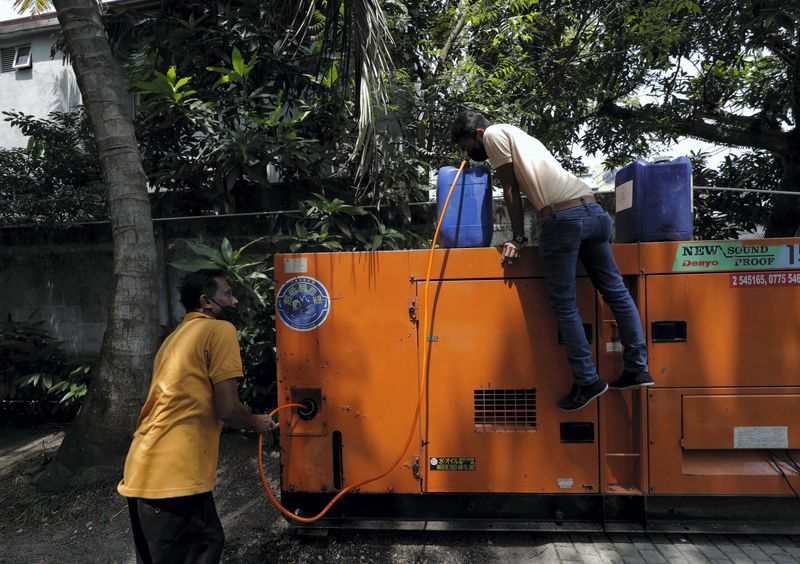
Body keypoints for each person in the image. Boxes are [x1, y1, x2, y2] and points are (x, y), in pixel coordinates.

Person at [450, 110, 653, 411]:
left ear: (477, 133)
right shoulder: (522, 137)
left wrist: (517, 238)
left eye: (467, 145)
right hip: (594, 213)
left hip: (563, 220)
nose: (470, 152)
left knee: (563, 302)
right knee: (617, 293)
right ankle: (638, 368)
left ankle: (587, 379)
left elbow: (510, 188)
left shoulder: (492, 135)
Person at [118, 268, 277, 563]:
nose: (235, 302)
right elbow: (227, 409)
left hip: (145, 468)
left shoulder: (175, 338)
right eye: (227, 294)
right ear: (206, 301)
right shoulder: (218, 330)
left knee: (208, 541)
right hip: (173, 475)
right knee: (202, 549)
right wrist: (256, 422)